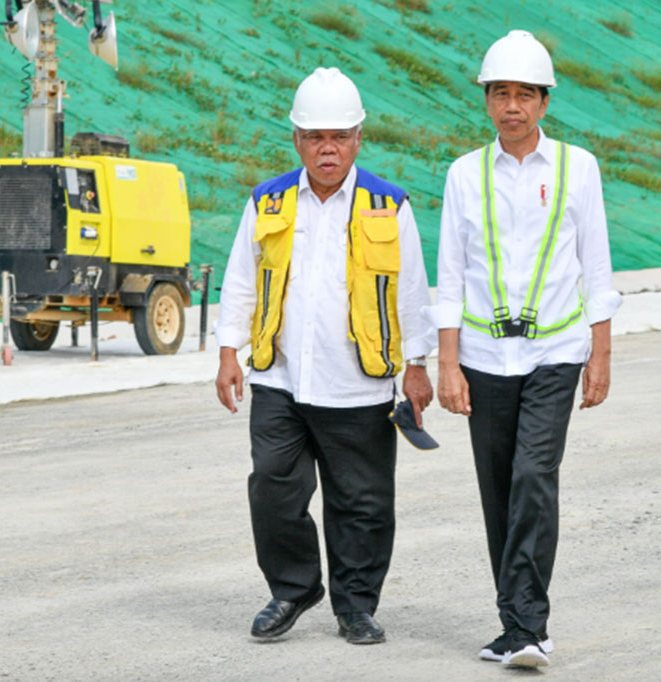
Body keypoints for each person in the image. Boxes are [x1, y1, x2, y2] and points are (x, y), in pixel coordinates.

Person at [214, 67, 435, 645]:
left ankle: (356, 606)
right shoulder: (268, 200)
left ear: (359, 138)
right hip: (280, 378)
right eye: (315, 137)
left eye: (339, 136)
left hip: (358, 382)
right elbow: (241, 279)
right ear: (297, 140)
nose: (327, 148)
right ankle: (293, 588)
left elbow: (412, 289)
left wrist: (418, 366)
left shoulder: (388, 204)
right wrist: (228, 350)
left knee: (363, 503)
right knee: (272, 486)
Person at [429, 31, 622, 668]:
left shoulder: (577, 167)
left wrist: (600, 353)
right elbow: (451, 275)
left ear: (544, 103)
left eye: (525, 95)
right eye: (501, 94)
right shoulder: (464, 174)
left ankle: (531, 628)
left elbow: (596, 264)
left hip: (555, 352)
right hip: (483, 357)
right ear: (487, 101)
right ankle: (513, 627)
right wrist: (447, 363)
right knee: (498, 491)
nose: (512, 106)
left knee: (534, 477)